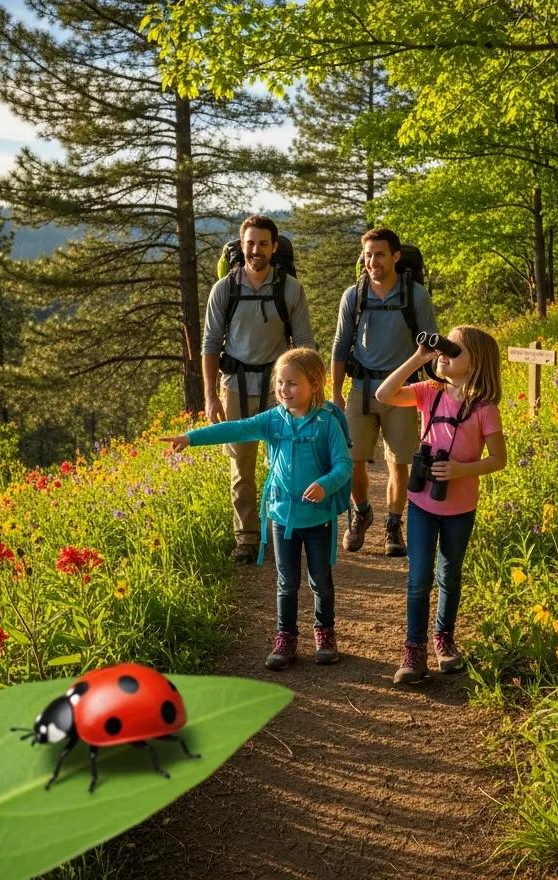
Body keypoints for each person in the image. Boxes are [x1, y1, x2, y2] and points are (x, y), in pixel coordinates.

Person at [164, 348, 352, 671]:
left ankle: (324, 633)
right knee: (286, 580)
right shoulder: (273, 420)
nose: (283, 389)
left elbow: (344, 465)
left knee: (320, 579)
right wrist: (191, 438)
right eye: (280, 382)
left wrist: (325, 484)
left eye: (292, 383)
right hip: (281, 516)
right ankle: (286, 637)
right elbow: (235, 429)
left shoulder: (326, 423)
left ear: (315, 383)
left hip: (317, 517)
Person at [374, 326, 506, 684]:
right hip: (421, 503)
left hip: (460, 507)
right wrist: (419, 359)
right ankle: (413, 649)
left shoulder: (484, 408)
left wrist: (462, 470)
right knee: (419, 578)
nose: (445, 352)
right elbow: (384, 394)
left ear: (476, 362)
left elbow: (498, 459)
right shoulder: (430, 392)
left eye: (454, 349)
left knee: (449, 575)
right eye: (445, 345)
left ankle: (443, 639)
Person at [202, 215, 315, 564]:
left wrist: (310, 392)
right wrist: (209, 397)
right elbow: (210, 345)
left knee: (287, 461)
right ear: (241, 245)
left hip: (281, 388)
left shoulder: (290, 289)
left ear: (274, 247)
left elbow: (305, 345)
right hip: (234, 385)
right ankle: (247, 537)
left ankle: (286, 529)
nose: (256, 250)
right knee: (242, 465)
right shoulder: (224, 289)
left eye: (263, 244)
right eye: (250, 243)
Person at [331, 227, 437, 557]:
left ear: (395, 256)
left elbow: (431, 344)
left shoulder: (416, 295)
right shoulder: (353, 295)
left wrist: (436, 390)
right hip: (361, 389)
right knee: (352, 461)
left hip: (402, 392)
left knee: (399, 463)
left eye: (379, 254)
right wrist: (335, 393)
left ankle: (393, 525)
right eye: (367, 255)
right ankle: (362, 512)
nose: (372, 261)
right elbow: (340, 346)